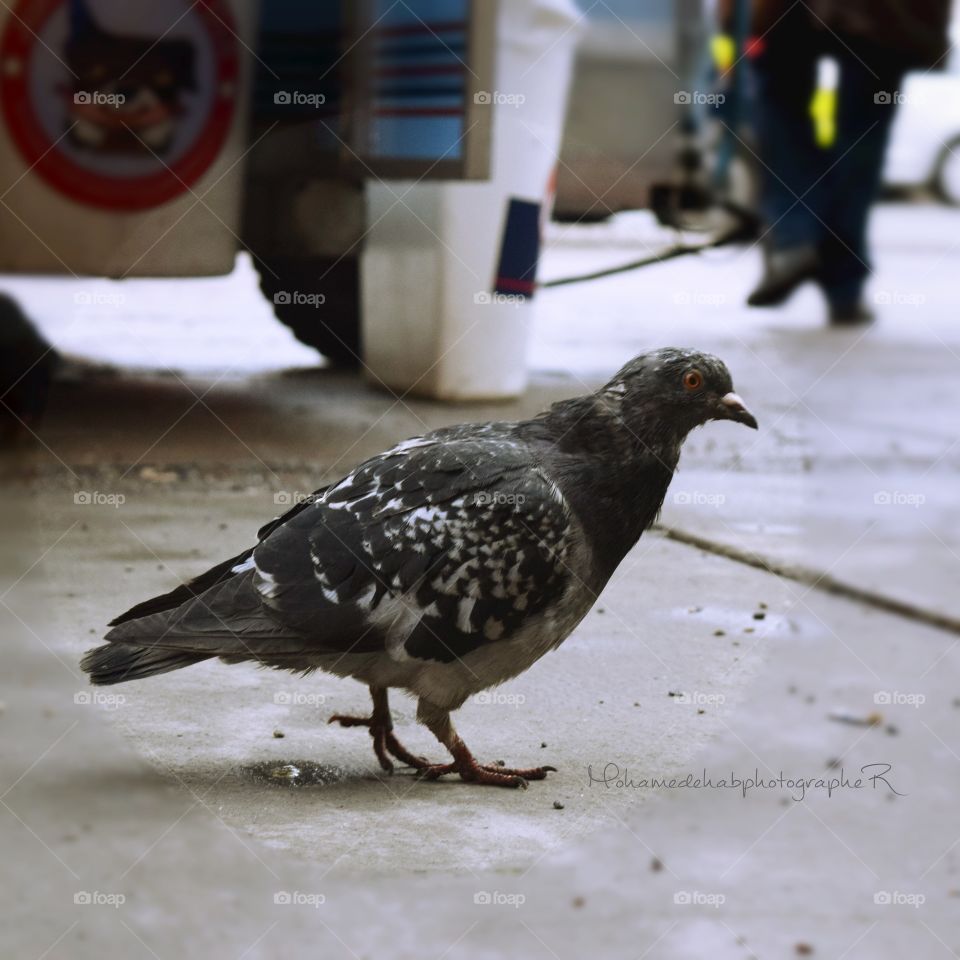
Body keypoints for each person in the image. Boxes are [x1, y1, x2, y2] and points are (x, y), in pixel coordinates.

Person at [732, 0, 953, 324]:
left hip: (787, 13)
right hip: (885, 17)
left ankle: (796, 239)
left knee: (783, 112)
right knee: (861, 141)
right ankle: (844, 285)